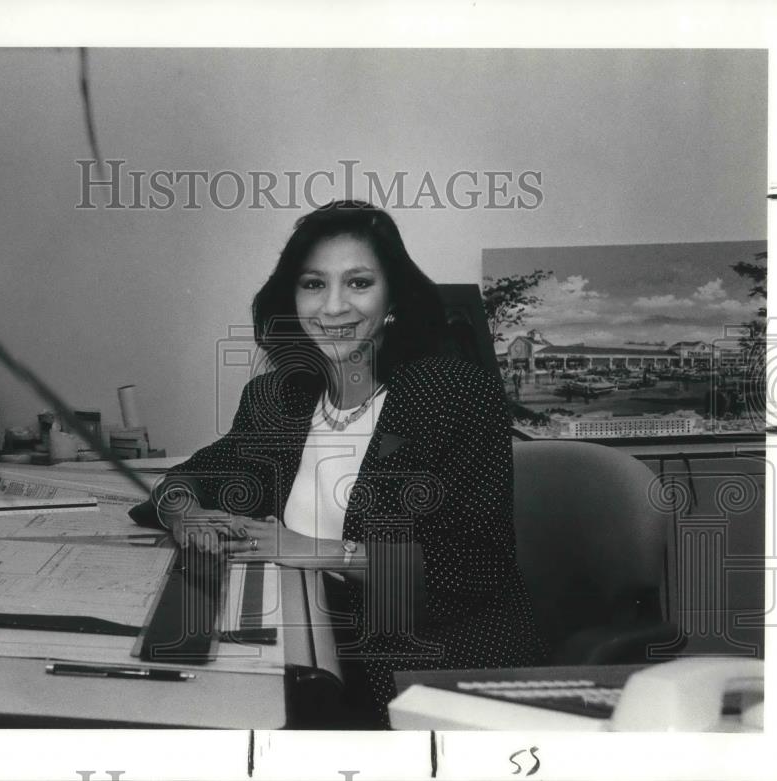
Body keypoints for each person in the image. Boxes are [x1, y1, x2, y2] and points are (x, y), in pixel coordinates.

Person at [147, 201, 545, 727]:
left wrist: (310, 550)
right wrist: (184, 514)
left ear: (393, 298)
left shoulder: (454, 395)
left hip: (432, 664)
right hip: (312, 641)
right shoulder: (279, 397)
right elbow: (189, 480)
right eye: (313, 284)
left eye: (358, 283)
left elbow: (475, 567)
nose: (332, 307)